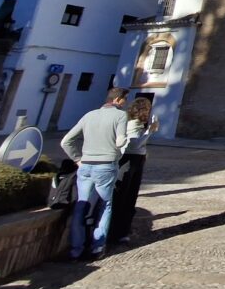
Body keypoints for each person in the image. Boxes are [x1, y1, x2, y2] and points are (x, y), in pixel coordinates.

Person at [61, 87, 129, 259]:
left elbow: (66, 141)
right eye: (124, 99)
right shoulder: (120, 115)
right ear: (117, 100)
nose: (125, 103)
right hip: (106, 165)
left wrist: (77, 159)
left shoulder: (89, 115)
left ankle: (76, 249)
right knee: (105, 205)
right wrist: (121, 145)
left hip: (85, 166)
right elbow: (120, 140)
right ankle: (97, 247)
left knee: (81, 205)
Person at [109, 98, 159, 244]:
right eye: (147, 110)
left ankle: (122, 230)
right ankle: (117, 231)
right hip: (129, 161)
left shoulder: (135, 123)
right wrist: (150, 131)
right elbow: (134, 144)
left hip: (136, 160)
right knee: (124, 195)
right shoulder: (131, 124)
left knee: (128, 196)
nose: (149, 113)